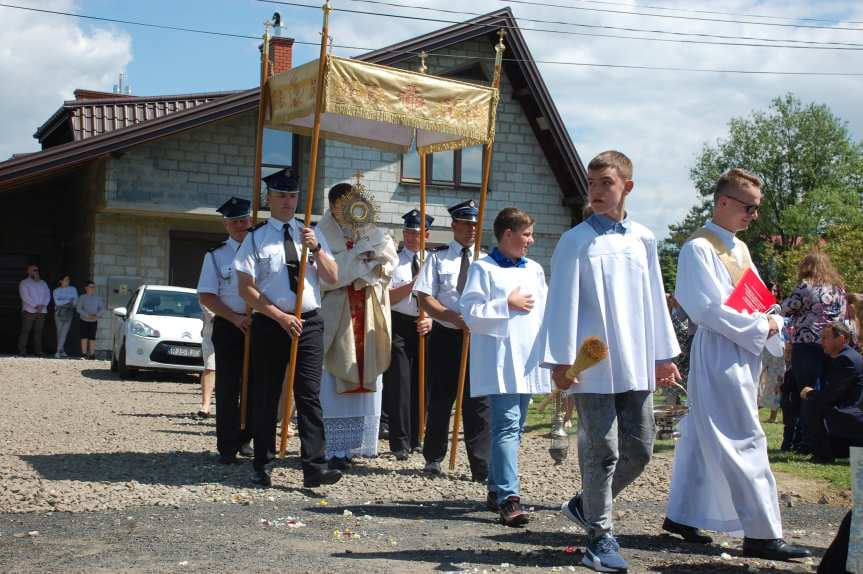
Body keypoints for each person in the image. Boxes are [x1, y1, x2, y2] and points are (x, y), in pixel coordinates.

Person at [531, 150, 680, 573]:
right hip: (590, 364)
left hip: (634, 359)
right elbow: (560, 303)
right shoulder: (576, 240)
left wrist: (662, 356)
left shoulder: (644, 239)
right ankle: (599, 536)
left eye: (606, 184)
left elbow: (654, 299)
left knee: (642, 448)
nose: (596, 191)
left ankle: (584, 503)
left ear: (626, 187)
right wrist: (561, 361)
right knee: (603, 450)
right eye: (592, 184)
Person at [664, 168, 810, 561]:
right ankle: (762, 534)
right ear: (723, 202)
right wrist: (764, 325)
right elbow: (707, 309)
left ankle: (682, 514)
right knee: (744, 437)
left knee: (698, 435)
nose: (754, 215)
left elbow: (758, 297)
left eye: (757, 208)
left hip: (741, 351)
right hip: (719, 351)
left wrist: (772, 317)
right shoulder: (699, 248)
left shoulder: (738, 248)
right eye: (749, 207)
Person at [235, 169, 341, 489]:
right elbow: (246, 288)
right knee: (266, 395)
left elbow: (333, 278)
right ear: (269, 199)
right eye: (281, 196)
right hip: (272, 323)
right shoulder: (256, 237)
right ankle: (263, 465)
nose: (287, 202)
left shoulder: (310, 234)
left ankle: (314, 468)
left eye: (292, 196)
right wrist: (279, 316)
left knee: (309, 394)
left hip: (308, 321)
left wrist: (318, 249)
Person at [460, 207, 550, 527]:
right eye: (526, 234)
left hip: (526, 361)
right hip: (499, 360)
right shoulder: (483, 269)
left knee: (515, 427)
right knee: (507, 426)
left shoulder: (535, 270)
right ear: (507, 234)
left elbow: (544, 313)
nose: (531, 240)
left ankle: (496, 488)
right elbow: (468, 312)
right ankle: (510, 498)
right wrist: (505, 305)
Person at [317, 182, 398, 468]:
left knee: (366, 374)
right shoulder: (320, 234)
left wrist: (372, 261)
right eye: (342, 205)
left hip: (368, 311)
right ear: (332, 207)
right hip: (337, 314)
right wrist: (358, 261)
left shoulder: (373, 231)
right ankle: (332, 449)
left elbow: (389, 261)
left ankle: (355, 447)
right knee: (333, 378)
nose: (347, 211)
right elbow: (329, 275)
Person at [414, 199, 491, 481]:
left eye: (475, 224)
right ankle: (433, 458)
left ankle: (481, 465)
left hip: (477, 338)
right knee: (441, 399)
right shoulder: (437, 258)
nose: (471, 229)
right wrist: (451, 316)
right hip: (446, 335)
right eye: (466, 223)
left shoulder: (486, 260)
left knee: (477, 403)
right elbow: (425, 296)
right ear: (454, 225)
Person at [197, 196, 254, 464]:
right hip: (230, 326)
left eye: (244, 220)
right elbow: (207, 296)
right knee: (229, 387)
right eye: (234, 222)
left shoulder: (262, 250)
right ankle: (227, 445)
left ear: (251, 220)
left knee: (256, 387)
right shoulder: (216, 255)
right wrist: (233, 317)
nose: (240, 225)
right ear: (226, 226)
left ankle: (248, 439)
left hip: (259, 325)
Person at [782, 250, 847, 453]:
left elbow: (785, 308)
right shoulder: (839, 290)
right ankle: (825, 437)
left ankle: (807, 440)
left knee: (806, 392)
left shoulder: (805, 287)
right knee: (824, 391)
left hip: (806, 343)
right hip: (832, 345)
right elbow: (842, 316)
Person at [382, 209, 434, 460]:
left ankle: (417, 436)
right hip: (399, 323)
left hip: (425, 324)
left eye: (418, 233)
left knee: (422, 383)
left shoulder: (433, 261)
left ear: (427, 234)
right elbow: (387, 297)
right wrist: (413, 284)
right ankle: (399, 441)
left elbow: (441, 297)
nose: (413, 237)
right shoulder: (393, 261)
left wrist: (431, 319)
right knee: (400, 383)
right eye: (409, 232)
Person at [800, 321, 863, 464]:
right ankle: (832, 450)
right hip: (851, 409)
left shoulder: (845, 359)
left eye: (825, 338)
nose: (821, 342)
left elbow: (831, 395)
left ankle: (823, 455)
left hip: (852, 413)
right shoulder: (847, 356)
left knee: (812, 404)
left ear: (840, 339)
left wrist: (810, 393)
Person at [18, 264, 50, 356]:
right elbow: (25, 296)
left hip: (42, 311)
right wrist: (36, 306)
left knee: (38, 332)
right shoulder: (24, 282)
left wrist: (43, 305)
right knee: (25, 331)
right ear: (28, 271)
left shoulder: (43, 283)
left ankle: (38, 351)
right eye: (34, 270)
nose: (36, 271)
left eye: (37, 270)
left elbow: (48, 295)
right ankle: (22, 350)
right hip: (29, 311)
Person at [76, 280, 103, 359]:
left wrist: (96, 315)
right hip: (84, 320)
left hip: (94, 321)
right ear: (86, 288)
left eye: (93, 287)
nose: (92, 288)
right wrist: (87, 315)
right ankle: (83, 354)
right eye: (90, 287)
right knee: (84, 337)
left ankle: (92, 355)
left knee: (92, 337)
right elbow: (78, 309)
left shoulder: (97, 298)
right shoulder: (82, 297)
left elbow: (102, 308)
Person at [53, 274, 78, 358]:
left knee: (64, 332)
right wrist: (68, 300)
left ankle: (58, 351)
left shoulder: (73, 289)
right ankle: (61, 350)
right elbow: (57, 302)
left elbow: (75, 302)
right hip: (59, 313)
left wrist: (64, 301)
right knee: (59, 332)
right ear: (61, 281)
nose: (67, 281)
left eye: (68, 280)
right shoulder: (56, 290)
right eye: (65, 280)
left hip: (68, 313)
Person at [197, 306, 216, 418]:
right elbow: (204, 298)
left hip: (240, 326)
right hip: (212, 329)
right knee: (210, 366)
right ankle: (206, 405)